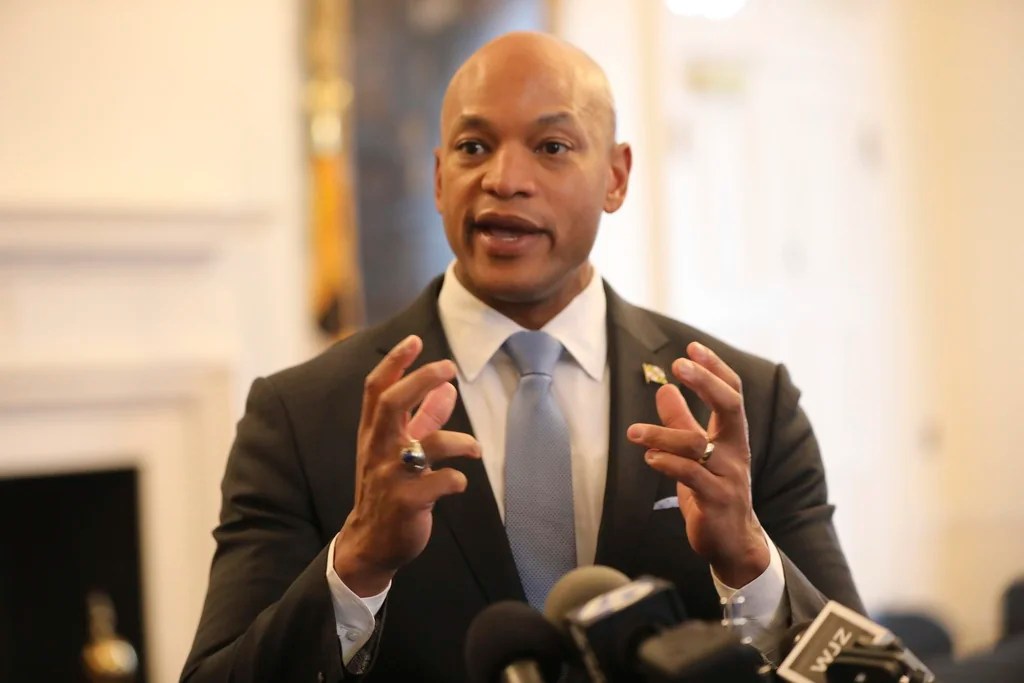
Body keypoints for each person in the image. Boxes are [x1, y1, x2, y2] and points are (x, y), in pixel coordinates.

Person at [182, 31, 862, 683]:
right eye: (474, 147)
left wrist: (750, 564)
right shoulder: (300, 416)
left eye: (552, 146)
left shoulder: (746, 405)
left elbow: (865, 670)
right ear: (440, 178)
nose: (504, 179)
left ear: (616, 176)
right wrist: (356, 561)